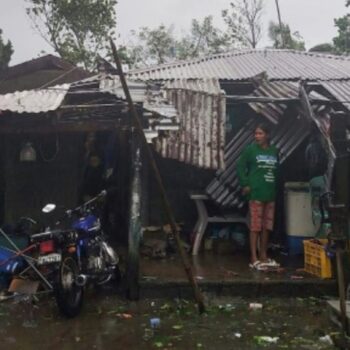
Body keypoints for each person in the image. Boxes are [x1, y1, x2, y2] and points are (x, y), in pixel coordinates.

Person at [237, 123, 280, 270]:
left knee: (267, 226)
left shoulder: (274, 151)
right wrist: (245, 184)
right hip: (255, 192)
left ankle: (263, 255)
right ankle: (253, 257)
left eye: (260, 133)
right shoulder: (250, 150)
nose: (257, 136)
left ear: (267, 135)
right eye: (256, 133)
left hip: (270, 192)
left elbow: (276, 171)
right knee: (255, 226)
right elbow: (240, 166)